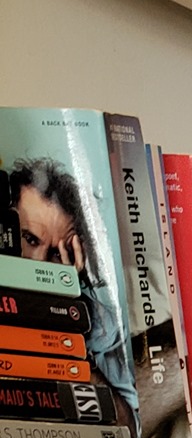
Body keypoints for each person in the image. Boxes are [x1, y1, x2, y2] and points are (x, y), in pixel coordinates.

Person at [8, 158, 134, 420]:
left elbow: (128, 429)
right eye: (30, 239)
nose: (38, 263)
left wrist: (65, 325)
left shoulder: (101, 325)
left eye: (56, 253)